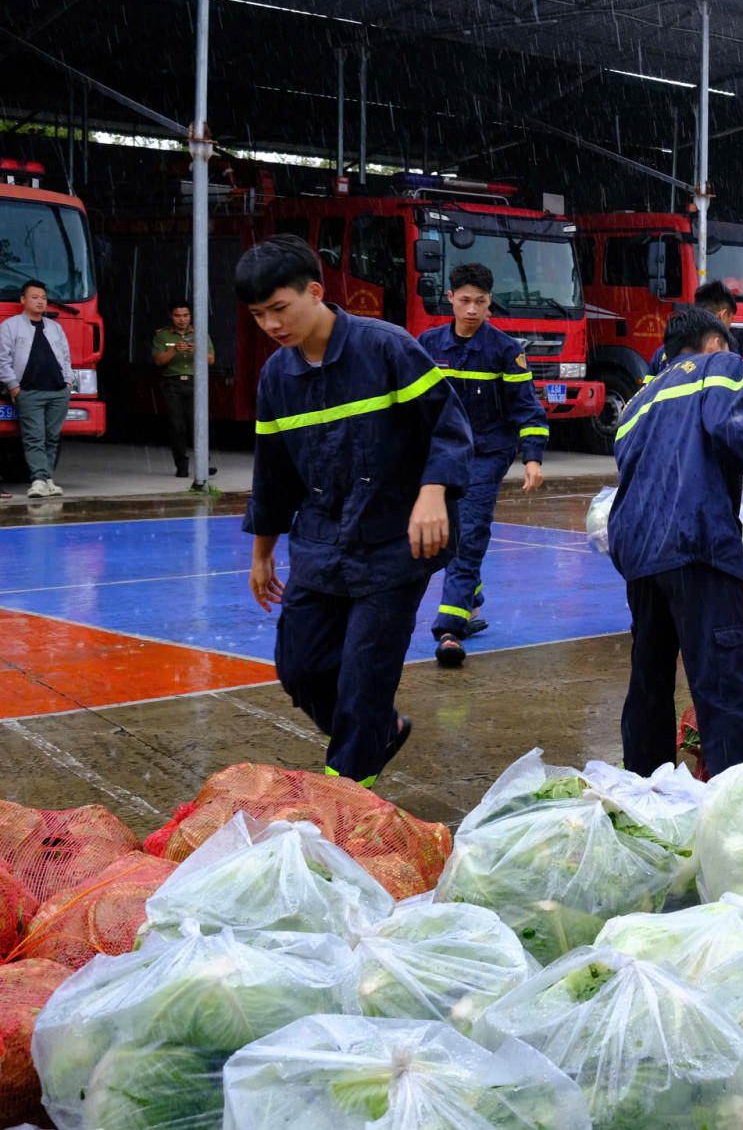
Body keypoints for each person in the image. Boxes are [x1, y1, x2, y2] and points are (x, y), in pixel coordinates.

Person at [240, 237, 472, 787]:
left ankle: (346, 804)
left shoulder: (385, 348)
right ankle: (379, 731)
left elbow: (449, 428)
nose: (272, 325)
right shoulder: (277, 377)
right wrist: (262, 552)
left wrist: (433, 492)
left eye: (280, 309)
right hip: (320, 545)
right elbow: (271, 472)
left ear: (315, 292)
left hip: (395, 543)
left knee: (364, 680)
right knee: (300, 668)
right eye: (258, 316)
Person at [609, 305, 743, 776]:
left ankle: (644, 790)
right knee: (723, 685)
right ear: (714, 342)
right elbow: (732, 427)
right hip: (697, 547)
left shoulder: (639, 400)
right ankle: (732, 798)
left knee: (649, 682)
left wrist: (740, 559)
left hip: (640, 556)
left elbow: (653, 474)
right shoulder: (718, 367)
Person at [418, 262, 549, 667]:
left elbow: (527, 410)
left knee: (470, 531)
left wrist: (532, 459)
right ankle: (470, 595)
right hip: (441, 454)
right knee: (444, 535)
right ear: (450, 300)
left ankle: (450, 630)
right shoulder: (428, 344)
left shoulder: (506, 352)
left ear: (490, 303)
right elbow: (412, 405)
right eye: (464, 301)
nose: (472, 310)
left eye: (480, 302)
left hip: (487, 455)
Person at [0, 278, 77, 498]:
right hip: (29, 392)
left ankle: (48, 479)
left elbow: (65, 357)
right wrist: (14, 387)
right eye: (35, 298)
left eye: (43, 298)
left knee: (51, 437)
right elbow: (2, 360)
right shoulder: (10, 326)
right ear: (23, 300)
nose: (40, 302)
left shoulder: (55, 327)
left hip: (58, 391)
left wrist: (68, 383)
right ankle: (38, 480)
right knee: (34, 437)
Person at [150, 300, 215, 479]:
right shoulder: (162, 336)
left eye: (185, 315)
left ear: (190, 316)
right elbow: (158, 361)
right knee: (177, 426)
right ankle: (182, 465)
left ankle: (204, 465)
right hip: (173, 384)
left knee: (199, 425)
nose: (182, 320)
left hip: (196, 383)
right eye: (178, 315)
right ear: (172, 316)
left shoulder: (200, 333)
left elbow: (211, 360)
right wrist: (175, 350)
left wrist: (197, 350)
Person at [646, 280, 741, 379]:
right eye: (731, 320)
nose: (729, 326)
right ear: (723, 315)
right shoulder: (727, 352)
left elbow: (646, 390)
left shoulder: (663, 351)